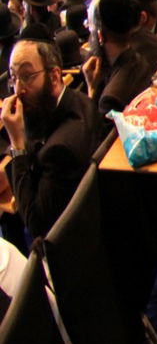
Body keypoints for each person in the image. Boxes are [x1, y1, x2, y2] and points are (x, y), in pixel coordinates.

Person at [1, 37, 100, 238]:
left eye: (27, 76)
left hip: (77, 245)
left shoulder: (59, 150)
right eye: (14, 77)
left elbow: (36, 225)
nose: (19, 89)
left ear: (54, 76)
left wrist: (17, 144)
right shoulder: (83, 99)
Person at [82, 0, 157, 116]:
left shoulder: (109, 100)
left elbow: (93, 133)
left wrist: (92, 90)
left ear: (100, 36)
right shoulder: (141, 59)